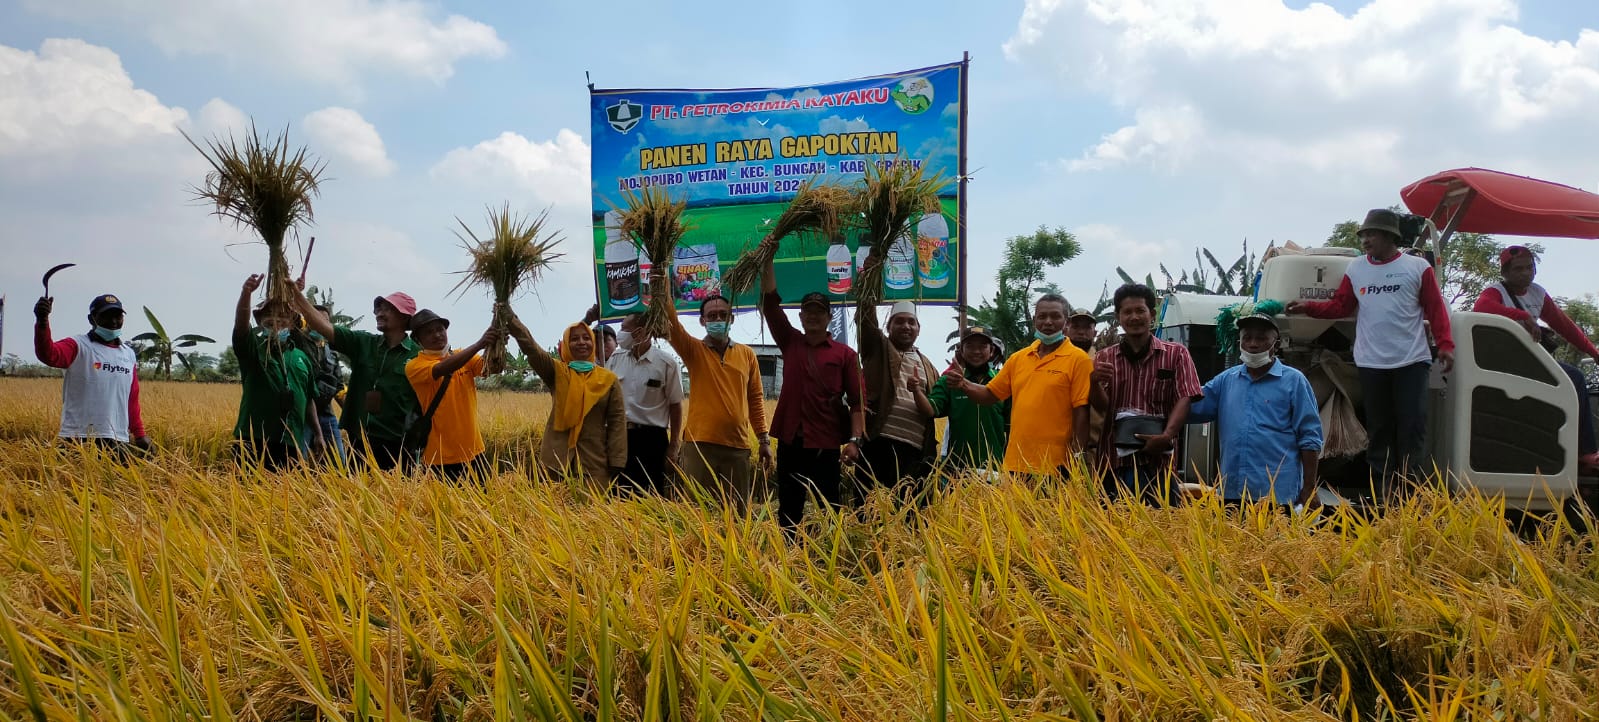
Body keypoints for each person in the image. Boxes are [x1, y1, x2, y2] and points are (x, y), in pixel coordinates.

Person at [1286, 208, 1455, 498]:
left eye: (1371, 234)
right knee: (1379, 429)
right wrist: (1307, 307)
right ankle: (1382, 489)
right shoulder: (1357, 269)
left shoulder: (1417, 268)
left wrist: (1446, 345)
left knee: (1411, 427)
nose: (1365, 240)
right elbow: (1341, 307)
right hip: (1372, 362)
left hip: (1411, 361)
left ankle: (1409, 490)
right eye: (1363, 235)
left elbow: (1436, 310)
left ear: (1390, 236)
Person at [759, 253, 866, 536]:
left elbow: (857, 403)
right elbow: (770, 304)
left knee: (828, 508)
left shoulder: (845, 355)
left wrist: (854, 441)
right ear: (801, 316)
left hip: (826, 444)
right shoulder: (790, 341)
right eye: (808, 311)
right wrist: (768, 260)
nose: (813, 316)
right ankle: (789, 560)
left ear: (829, 317)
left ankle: (827, 559)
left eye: (819, 311)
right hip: (791, 441)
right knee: (789, 509)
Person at [1472, 245, 1599, 470]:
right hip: (1504, 362)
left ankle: (1580, 450)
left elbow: (1565, 326)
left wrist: (1593, 352)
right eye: (1518, 269)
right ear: (1505, 272)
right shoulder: (1496, 292)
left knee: (1573, 378)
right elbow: (1482, 307)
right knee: (1575, 378)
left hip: (1531, 361)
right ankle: (1585, 451)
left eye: (1529, 267)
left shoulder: (1537, 293)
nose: (1525, 273)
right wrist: (1522, 316)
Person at [942, 294, 1093, 475]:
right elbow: (990, 395)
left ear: (1066, 321)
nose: (1048, 322)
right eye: (1042, 316)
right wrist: (963, 384)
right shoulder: (1019, 358)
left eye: (1055, 316)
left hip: (1057, 466)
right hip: (1016, 464)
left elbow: (1081, 412)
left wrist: (1077, 457)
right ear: (1033, 319)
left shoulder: (1079, 359)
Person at [655, 276, 771, 508]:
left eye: (723, 315)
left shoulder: (747, 355)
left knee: (737, 514)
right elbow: (671, 321)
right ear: (702, 321)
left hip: (737, 447)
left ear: (732, 319)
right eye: (712, 316)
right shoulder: (693, 350)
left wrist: (763, 438)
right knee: (699, 514)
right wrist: (662, 279)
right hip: (699, 446)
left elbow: (755, 399)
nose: (718, 319)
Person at [1187, 311, 1323, 509]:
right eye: (1247, 338)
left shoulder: (1294, 381)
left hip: (1277, 496)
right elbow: (1191, 407)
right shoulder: (1226, 380)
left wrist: (1309, 488)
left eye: (1261, 338)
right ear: (1240, 342)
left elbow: (1310, 438)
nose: (1253, 344)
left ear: (1275, 345)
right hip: (1233, 492)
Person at [1089, 284, 1203, 505]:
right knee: (1110, 532)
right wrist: (1094, 382)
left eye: (1140, 311)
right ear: (1118, 317)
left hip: (1159, 462)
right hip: (1113, 462)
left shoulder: (1176, 354)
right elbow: (1102, 406)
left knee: (1161, 530)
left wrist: (1167, 436)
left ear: (1152, 314)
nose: (1134, 317)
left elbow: (1185, 397)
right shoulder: (1104, 358)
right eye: (1127, 312)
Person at [296, 289, 420, 470]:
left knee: (395, 497)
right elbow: (323, 327)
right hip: (359, 439)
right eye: (378, 309)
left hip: (398, 444)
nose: (379, 313)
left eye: (387, 309)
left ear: (404, 316)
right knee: (354, 494)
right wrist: (297, 296)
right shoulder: (363, 342)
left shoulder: (417, 355)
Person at [507, 312, 627, 489]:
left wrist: (617, 461)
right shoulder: (557, 372)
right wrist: (510, 318)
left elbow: (617, 422)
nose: (581, 342)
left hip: (593, 464)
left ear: (593, 343)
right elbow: (531, 348)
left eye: (586, 338)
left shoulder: (609, 379)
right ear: (566, 345)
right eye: (574, 339)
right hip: (555, 463)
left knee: (591, 514)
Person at [32, 291, 150, 452]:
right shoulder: (78, 345)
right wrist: (42, 321)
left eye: (118, 316)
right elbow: (49, 355)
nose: (114, 321)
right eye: (107, 316)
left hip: (116, 439)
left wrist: (139, 434)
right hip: (77, 438)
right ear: (91, 319)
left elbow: (131, 398)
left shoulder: (128, 354)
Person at [232, 275, 322, 470]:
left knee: (286, 498)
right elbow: (240, 329)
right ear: (260, 322)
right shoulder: (254, 349)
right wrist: (246, 294)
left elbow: (309, 398)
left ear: (291, 324)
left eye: (282, 318)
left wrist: (318, 433)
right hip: (253, 438)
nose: (276, 321)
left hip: (291, 440)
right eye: (269, 318)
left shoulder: (301, 356)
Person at [404, 309, 502, 481]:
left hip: (474, 451)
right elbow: (443, 369)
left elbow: (492, 368)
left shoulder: (463, 356)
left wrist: (497, 345)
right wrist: (480, 344)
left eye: (440, 329)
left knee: (484, 506)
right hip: (440, 458)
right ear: (418, 340)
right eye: (429, 332)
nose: (437, 335)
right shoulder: (414, 366)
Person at [858, 300, 938, 498]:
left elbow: (938, 404)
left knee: (910, 516)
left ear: (918, 329)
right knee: (869, 512)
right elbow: (866, 322)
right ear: (888, 327)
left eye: (911, 322)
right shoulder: (878, 349)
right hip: (878, 444)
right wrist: (870, 284)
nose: (906, 326)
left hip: (914, 452)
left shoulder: (928, 365)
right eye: (899, 321)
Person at [606, 311, 685, 495]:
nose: (620, 334)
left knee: (651, 495)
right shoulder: (615, 360)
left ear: (640, 332)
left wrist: (674, 445)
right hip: (620, 437)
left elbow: (676, 405)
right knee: (618, 495)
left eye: (625, 329)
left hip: (652, 440)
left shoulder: (666, 363)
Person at [911, 326, 1008, 472]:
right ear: (961, 351)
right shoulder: (948, 381)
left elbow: (1012, 427)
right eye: (970, 346)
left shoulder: (1003, 382)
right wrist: (916, 391)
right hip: (957, 470)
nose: (976, 351)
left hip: (995, 470)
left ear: (991, 351)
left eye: (982, 346)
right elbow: (930, 410)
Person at [303, 303, 347, 466]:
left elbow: (339, 388)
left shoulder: (332, 353)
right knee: (297, 460)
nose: (320, 323)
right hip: (303, 413)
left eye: (325, 321)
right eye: (316, 319)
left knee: (339, 462)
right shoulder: (299, 343)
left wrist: (355, 419)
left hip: (326, 413)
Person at [1067, 307, 1105, 454]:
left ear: (1094, 332)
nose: (1081, 332)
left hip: (1093, 449)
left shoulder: (1102, 363)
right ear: (1067, 329)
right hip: (1057, 449)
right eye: (1076, 327)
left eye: (1087, 327)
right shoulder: (1055, 361)